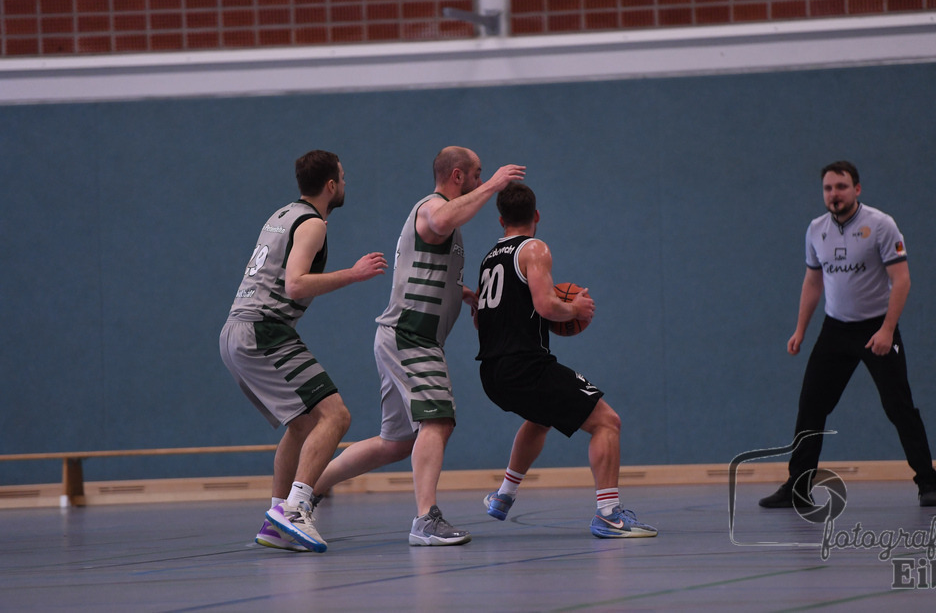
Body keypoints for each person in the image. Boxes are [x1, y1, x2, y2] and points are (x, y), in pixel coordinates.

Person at [312, 146, 526, 546]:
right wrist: (497, 183)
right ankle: (425, 519)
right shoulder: (433, 206)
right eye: (479, 175)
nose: (484, 183)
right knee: (439, 419)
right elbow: (440, 219)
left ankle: (308, 487)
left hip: (408, 336)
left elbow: (426, 265)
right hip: (410, 334)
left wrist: (461, 294)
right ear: (459, 176)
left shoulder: (447, 218)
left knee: (395, 443)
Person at [220, 149, 388, 553]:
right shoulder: (313, 223)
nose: (345, 184)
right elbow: (294, 285)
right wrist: (354, 274)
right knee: (336, 415)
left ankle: (277, 516)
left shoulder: (280, 215)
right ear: (331, 185)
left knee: (301, 424)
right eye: (343, 178)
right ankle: (295, 510)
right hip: (263, 329)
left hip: (236, 330)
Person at [475, 183, 658, 538]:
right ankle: (608, 515)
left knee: (540, 419)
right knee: (608, 422)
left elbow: (480, 318)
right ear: (537, 216)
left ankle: (503, 496)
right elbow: (546, 306)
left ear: (500, 220)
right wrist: (575, 308)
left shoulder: (488, 259)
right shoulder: (535, 248)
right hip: (525, 365)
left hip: (491, 373)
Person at [760, 161, 936, 510]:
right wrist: (800, 330)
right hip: (835, 329)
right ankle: (798, 486)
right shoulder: (816, 230)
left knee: (898, 407)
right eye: (828, 188)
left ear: (857, 189)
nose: (835, 194)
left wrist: (887, 330)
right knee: (811, 406)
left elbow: (901, 280)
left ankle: (928, 483)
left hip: (875, 327)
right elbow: (813, 281)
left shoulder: (880, 225)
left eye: (841, 187)